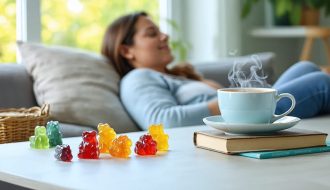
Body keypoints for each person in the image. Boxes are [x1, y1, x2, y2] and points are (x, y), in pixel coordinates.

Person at [101, 11, 330, 130]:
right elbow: (162, 122)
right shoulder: (138, 77)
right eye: (152, 34)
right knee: (320, 83)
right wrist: (231, 101)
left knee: (306, 67)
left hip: (246, 113)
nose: (165, 36)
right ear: (126, 51)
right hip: (238, 121)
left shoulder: (175, 76)